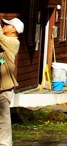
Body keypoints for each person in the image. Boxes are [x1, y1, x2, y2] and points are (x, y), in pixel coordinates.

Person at [0, 17, 23, 146]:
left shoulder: (13, 42)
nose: (4, 26)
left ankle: (5, 144)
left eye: (7, 25)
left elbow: (1, 38)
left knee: (3, 119)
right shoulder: (5, 44)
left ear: (14, 30)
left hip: (4, 88)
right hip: (2, 86)